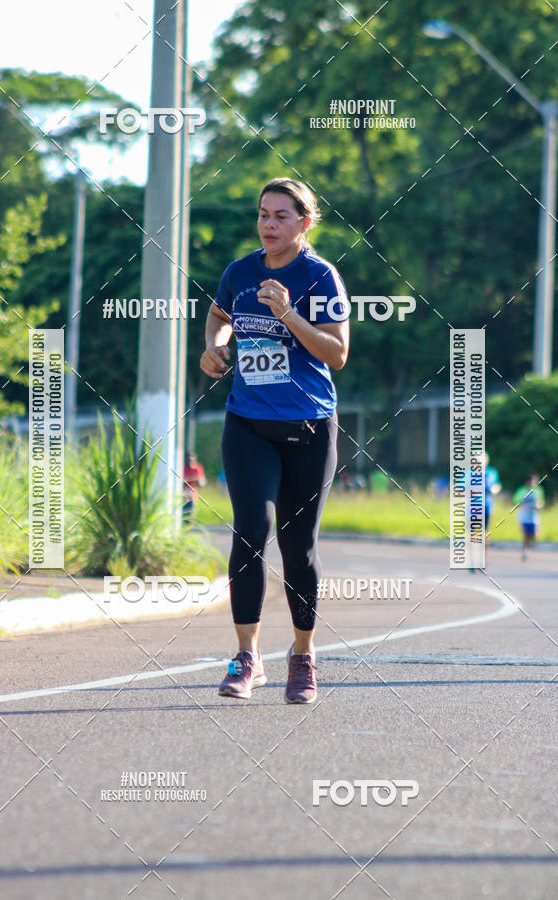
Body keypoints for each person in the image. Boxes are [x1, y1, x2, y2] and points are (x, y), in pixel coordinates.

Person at [199, 177, 350, 704]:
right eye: (263, 214)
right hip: (248, 423)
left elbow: (336, 354)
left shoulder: (320, 276)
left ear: (305, 222)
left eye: (281, 216)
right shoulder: (239, 272)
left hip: (309, 428)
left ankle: (303, 656)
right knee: (250, 533)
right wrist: (214, 347)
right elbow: (219, 317)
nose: (268, 224)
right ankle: (247, 657)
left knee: (298, 547)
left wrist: (288, 314)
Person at [513, 474, 544, 560]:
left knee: (533, 534)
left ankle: (528, 546)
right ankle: (525, 551)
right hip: (524, 515)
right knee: (525, 534)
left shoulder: (538, 490)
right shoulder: (521, 490)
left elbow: (541, 501)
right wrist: (520, 503)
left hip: (534, 516)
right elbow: (515, 500)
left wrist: (539, 505)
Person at [182, 451, 206, 523]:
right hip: (182, 495)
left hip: (192, 495)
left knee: (189, 516)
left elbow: (202, 483)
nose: (190, 461)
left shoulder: (198, 468)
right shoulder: (181, 467)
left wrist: (196, 480)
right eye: (188, 459)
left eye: (192, 459)